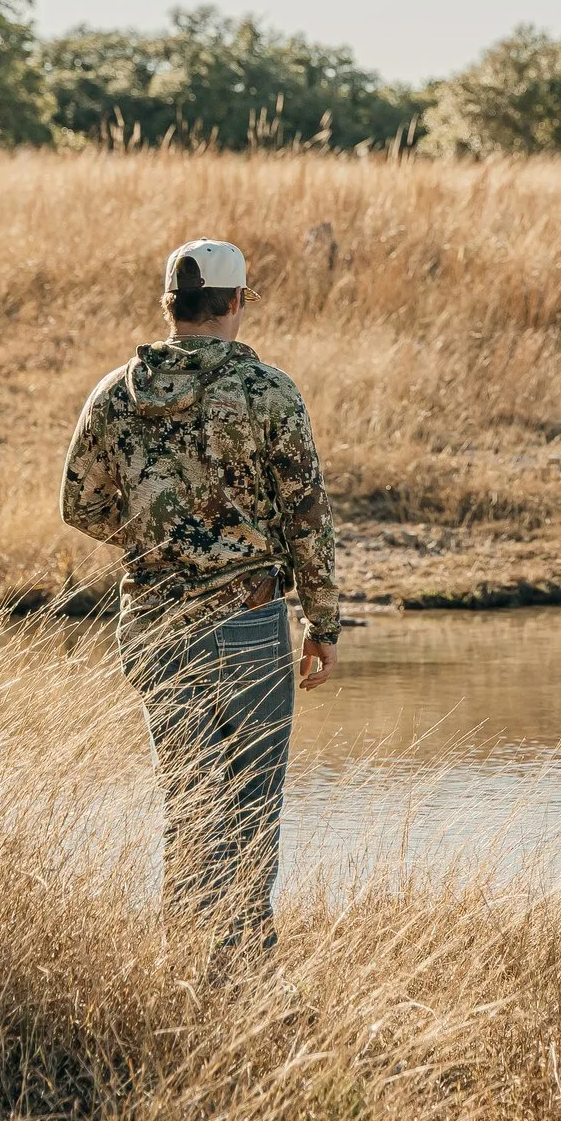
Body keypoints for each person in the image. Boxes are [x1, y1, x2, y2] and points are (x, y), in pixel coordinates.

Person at [60, 237, 341, 952]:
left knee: (191, 794)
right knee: (250, 800)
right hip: (247, 620)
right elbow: (306, 516)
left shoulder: (115, 392)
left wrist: (158, 538)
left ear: (169, 305)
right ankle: (242, 959)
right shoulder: (269, 392)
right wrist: (322, 623)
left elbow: (79, 505)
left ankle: (186, 950)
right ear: (237, 302)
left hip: (151, 624)